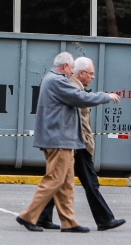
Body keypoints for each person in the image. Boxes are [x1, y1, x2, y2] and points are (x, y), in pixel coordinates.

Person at [16, 52, 121, 233]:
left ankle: (69, 221)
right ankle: (28, 215)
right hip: (59, 140)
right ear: (65, 66)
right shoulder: (57, 81)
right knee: (54, 179)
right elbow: (81, 98)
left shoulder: (52, 79)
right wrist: (106, 96)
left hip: (64, 140)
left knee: (66, 183)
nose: (73, 72)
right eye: (72, 68)